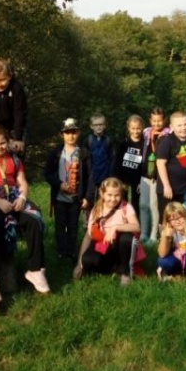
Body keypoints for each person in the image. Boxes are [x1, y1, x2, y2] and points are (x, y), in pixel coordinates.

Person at [0, 124, 50, 303]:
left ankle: (36, 269)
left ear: (7, 142)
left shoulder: (14, 158)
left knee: (33, 220)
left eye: (2, 143)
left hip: (13, 197)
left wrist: (22, 197)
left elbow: (22, 182)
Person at [73, 177, 141, 286]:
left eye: (117, 195)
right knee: (87, 260)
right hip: (104, 246)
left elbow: (136, 227)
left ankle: (125, 272)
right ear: (102, 194)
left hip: (120, 247)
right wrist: (79, 264)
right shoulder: (96, 209)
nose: (113, 199)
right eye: (109, 195)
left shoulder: (126, 207)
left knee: (126, 237)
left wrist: (116, 227)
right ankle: (112, 269)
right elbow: (88, 237)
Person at [44, 118, 91, 260]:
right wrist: (58, 184)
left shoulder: (84, 153)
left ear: (79, 133)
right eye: (67, 132)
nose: (71, 136)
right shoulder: (56, 152)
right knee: (60, 226)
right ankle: (60, 251)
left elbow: (90, 176)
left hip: (76, 198)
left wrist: (87, 197)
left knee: (73, 226)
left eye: (74, 132)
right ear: (62, 134)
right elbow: (47, 173)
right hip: (59, 197)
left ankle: (71, 252)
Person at [155, 111, 186, 223]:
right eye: (179, 125)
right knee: (167, 220)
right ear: (171, 127)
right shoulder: (167, 141)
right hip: (169, 190)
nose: (183, 128)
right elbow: (160, 163)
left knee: (185, 220)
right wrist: (166, 186)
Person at [139, 107, 171, 243]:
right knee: (143, 204)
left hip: (159, 175)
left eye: (159, 120)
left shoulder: (168, 134)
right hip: (145, 173)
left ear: (164, 120)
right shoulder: (146, 133)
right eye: (154, 120)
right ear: (150, 120)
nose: (157, 123)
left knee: (154, 205)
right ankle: (143, 233)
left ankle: (153, 235)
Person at [0, 58, 28, 154]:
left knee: (16, 151)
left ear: (9, 76)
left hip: (14, 127)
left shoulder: (17, 88)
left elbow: (20, 113)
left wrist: (18, 138)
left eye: (2, 80)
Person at [112, 114, 144, 215]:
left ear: (142, 127)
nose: (136, 131)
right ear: (128, 128)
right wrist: (118, 180)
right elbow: (117, 162)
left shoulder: (145, 144)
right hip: (124, 180)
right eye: (133, 128)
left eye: (138, 128)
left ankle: (134, 223)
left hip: (137, 181)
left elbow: (145, 164)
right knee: (122, 204)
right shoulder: (123, 143)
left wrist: (141, 181)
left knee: (136, 205)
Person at [81, 112, 113, 205]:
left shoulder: (108, 140)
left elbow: (112, 159)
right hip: (91, 176)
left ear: (105, 125)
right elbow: (83, 160)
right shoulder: (88, 140)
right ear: (91, 126)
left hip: (104, 176)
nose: (98, 127)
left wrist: (110, 176)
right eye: (96, 125)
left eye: (101, 124)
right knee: (89, 202)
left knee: (101, 202)